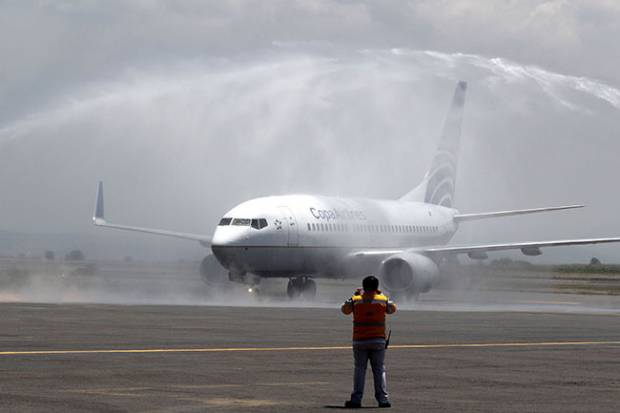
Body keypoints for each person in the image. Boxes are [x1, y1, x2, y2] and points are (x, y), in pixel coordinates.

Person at [341, 275, 397, 408]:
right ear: (377, 287)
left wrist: (355, 295)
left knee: (360, 370)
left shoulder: (356, 300)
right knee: (379, 369)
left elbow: (344, 310)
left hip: (360, 341)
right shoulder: (382, 300)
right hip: (378, 341)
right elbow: (393, 309)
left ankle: (356, 399)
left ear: (363, 286)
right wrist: (380, 294)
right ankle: (383, 400)